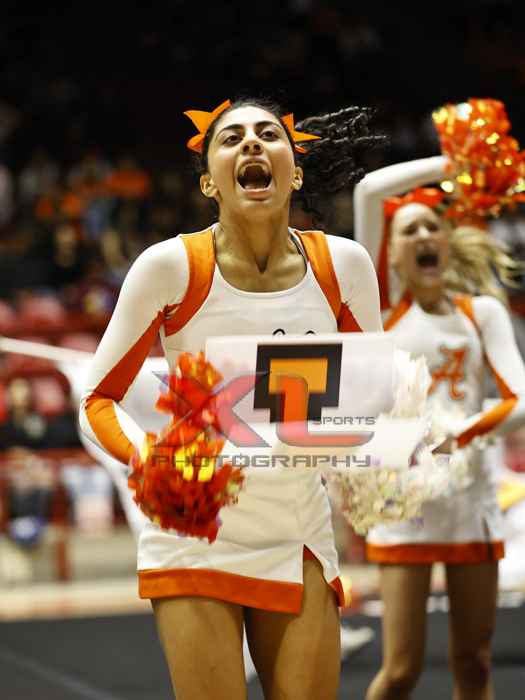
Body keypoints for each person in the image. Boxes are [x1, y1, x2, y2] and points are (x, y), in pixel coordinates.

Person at [79, 97, 384, 699]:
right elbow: (98, 400)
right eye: (231, 137)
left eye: (268, 133)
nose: (251, 142)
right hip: (195, 534)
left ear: (295, 172)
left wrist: (390, 456)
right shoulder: (170, 267)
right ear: (208, 183)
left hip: (298, 527)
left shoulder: (344, 265)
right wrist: (153, 461)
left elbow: (370, 400)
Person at [354, 145, 525, 699]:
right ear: (392, 251)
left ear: (448, 241)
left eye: (433, 226)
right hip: (403, 499)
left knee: (474, 663)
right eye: (409, 230)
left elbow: (521, 399)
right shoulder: (378, 308)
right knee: (401, 670)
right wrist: (454, 165)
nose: (424, 235)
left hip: (470, 500)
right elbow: (368, 191)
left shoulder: (482, 312)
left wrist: (461, 433)